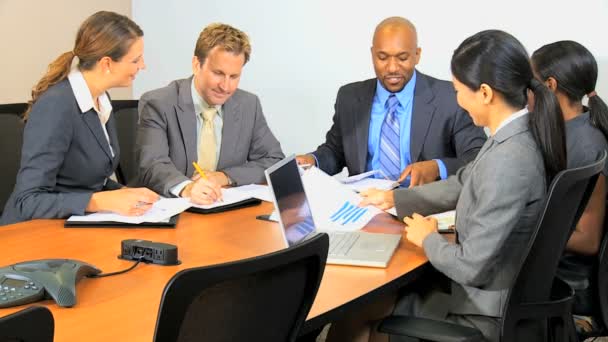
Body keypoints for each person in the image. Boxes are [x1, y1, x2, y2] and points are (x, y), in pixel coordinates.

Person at [328, 30, 567, 342]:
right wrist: (395, 199)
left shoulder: (509, 159)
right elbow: (462, 183)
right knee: (368, 305)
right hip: (493, 292)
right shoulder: (515, 136)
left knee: (360, 310)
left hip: (480, 310)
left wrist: (428, 239)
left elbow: (471, 267)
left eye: (458, 91)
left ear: (484, 93)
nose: (456, 100)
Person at [1, 11, 159, 226]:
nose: (143, 66)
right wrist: (99, 201)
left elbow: (85, 182)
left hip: (71, 227)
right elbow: (27, 201)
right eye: (135, 60)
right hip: (32, 235)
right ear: (106, 64)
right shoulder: (56, 105)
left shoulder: (101, 99)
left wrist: (125, 193)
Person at [296, 17, 486, 187]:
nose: (392, 68)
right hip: (366, 206)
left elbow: (478, 158)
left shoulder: (451, 98)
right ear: (372, 54)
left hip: (423, 208)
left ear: (417, 55)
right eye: (382, 57)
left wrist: (438, 167)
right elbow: (336, 151)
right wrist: (313, 161)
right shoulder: (349, 97)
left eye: (402, 58)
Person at [135, 23, 284, 204]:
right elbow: (152, 165)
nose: (226, 86)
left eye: (234, 76)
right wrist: (188, 188)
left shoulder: (248, 104)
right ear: (197, 65)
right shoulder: (158, 103)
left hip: (222, 210)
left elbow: (274, 160)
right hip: (175, 211)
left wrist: (224, 177)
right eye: (218, 73)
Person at [531, 40, 608, 333]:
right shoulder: (563, 132)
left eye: (531, 82)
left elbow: (588, 239)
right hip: (552, 271)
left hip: (569, 284)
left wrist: (522, 226)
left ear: (549, 86)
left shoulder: (587, 145)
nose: (525, 92)